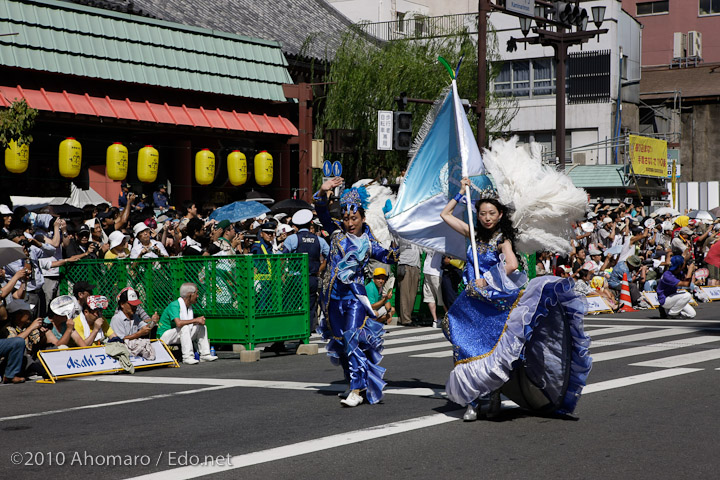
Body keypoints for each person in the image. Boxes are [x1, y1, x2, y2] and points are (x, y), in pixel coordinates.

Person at [439, 178, 590, 421]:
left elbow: (512, 265)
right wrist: (460, 193)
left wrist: (486, 280)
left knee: (489, 351)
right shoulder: (473, 234)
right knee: (463, 347)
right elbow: (445, 215)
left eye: (492, 213)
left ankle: (494, 393)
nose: (487, 217)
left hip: (491, 303)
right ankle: (472, 401)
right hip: (469, 301)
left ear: (500, 215)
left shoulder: (502, 240)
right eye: (483, 213)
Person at [314, 177, 399, 407]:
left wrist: (395, 232)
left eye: (354, 218)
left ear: (363, 218)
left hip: (354, 299)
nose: (350, 222)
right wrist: (323, 191)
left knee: (352, 337)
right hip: (333, 298)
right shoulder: (336, 234)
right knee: (341, 342)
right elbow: (320, 210)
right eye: (346, 217)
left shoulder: (369, 244)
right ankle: (352, 380)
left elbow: (390, 256)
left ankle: (356, 388)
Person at [281, 209, 329, 332]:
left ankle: (290, 331)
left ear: (296, 226)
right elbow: (331, 256)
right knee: (310, 307)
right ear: (310, 224)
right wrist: (320, 268)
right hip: (312, 278)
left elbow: (281, 256)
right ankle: (305, 334)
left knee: (291, 305)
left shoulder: (292, 239)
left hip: (295, 278)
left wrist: (282, 274)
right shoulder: (319, 240)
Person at [157, 282, 218, 365]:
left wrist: (198, 321)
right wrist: (196, 320)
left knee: (201, 327)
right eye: (196, 293)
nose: (197, 296)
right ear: (190, 295)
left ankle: (205, 354)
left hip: (178, 333)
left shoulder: (189, 306)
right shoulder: (174, 305)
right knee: (185, 327)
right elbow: (178, 323)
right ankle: (187, 357)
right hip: (165, 336)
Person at [396, 241, 421, 326]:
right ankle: (406, 319)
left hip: (416, 265)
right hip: (404, 264)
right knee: (404, 294)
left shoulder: (419, 234)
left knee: (412, 295)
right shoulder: (400, 232)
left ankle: (406, 317)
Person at [422, 251, 444, 328]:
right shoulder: (441, 241)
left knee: (430, 296)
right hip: (437, 271)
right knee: (442, 297)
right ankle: (449, 320)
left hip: (427, 269)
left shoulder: (429, 241)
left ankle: (435, 320)